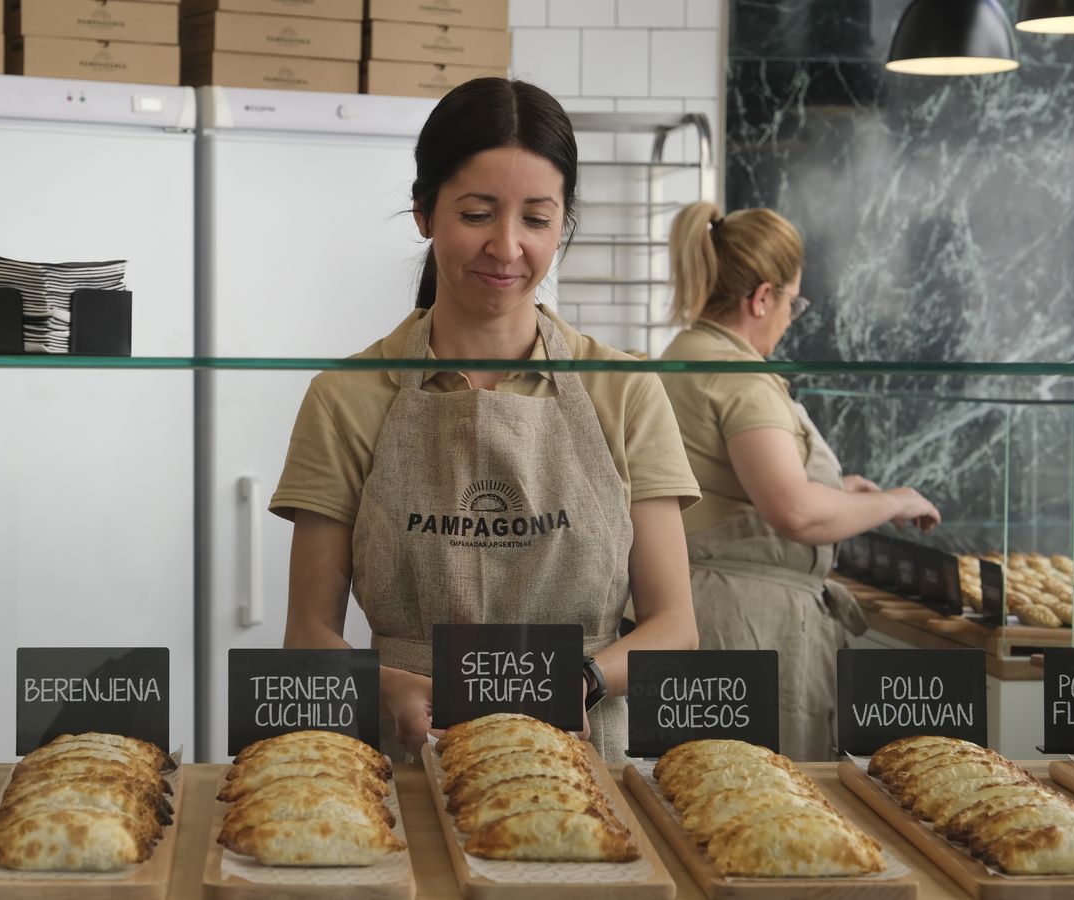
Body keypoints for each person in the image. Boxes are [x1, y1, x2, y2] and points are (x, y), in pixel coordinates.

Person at [270, 78, 702, 763]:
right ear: (423, 212)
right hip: (406, 770)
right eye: (477, 213)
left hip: (585, 764)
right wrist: (386, 689)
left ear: (563, 223)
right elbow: (307, 635)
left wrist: (585, 680)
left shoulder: (625, 390)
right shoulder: (346, 395)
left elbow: (674, 625)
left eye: (535, 218)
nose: (506, 248)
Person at [658, 202, 941, 761]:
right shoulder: (740, 377)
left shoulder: (682, 353)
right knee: (765, 808)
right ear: (761, 297)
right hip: (750, 629)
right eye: (792, 301)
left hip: (698, 608)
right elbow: (795, 511)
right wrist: (893, 501)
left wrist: (845, 493)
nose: (790, 316)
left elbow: (737, 485)